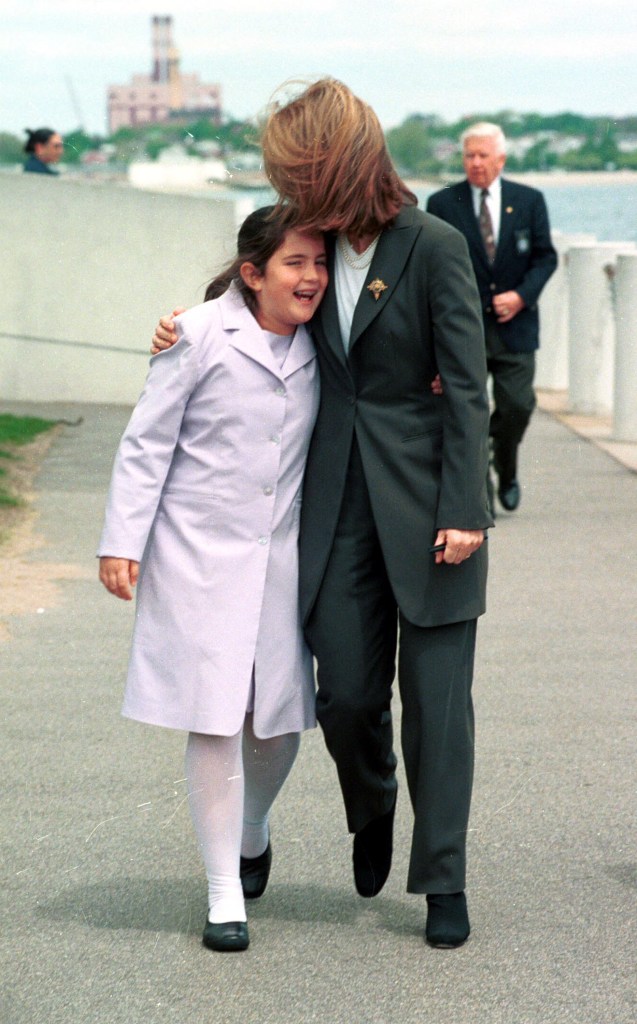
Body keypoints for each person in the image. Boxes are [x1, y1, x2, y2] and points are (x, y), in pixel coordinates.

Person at [153, 78, 493, 950]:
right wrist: (182, 327)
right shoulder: (311, 244)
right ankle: (371, 803)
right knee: (342, 694)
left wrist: (466, 509)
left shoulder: (435, 244)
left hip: (433, 512)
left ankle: (442, 878)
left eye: (300, 174)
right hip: (333, 505)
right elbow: (252, 302)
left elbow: (466, 386)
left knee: (436, 707)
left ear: (338, 164)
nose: (291, 192)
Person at [98, 207, 328, 953]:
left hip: (282, 558)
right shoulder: (196, 334)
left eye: (320, 262)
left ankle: (253, 825)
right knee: (215, 717)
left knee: (277, 722)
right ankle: (224, 890)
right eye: (296, 263)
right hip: (195, 556)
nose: (313, 277)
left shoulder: (326, 339)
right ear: (253, 273)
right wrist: (121, 541)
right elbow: (146, 443)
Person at [427, 123, 557, 513]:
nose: (476, 163)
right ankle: (479, 490)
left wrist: (520, 296)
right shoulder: (442, 203)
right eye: (469, 155)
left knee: (518, 406)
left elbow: (545, 257)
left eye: (483, 155)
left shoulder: (528, 200)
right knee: (469, 411)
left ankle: (506, 464)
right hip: (465, 328)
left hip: (516, 327)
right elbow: (433, 265)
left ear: (500, 159)